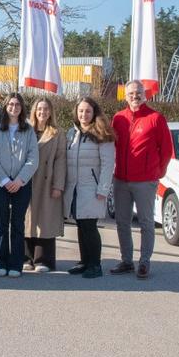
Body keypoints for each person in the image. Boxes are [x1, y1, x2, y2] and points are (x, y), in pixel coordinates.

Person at [111, 80, 174, 280]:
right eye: (130, 93)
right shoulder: (118, 118)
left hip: (145, 181)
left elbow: (166, 150)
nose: (134, 96)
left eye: (138, 92)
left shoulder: (155, 118)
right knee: (122, 221)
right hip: (121, 179)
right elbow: (112, 146)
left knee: (146, 222)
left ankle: (144, 262)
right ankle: (127, 260)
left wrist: (157, 172)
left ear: (144, 94)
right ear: (125, 96)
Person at [0, 92, 38, 278]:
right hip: (0, 183)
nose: (14, 108)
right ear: (5, 107)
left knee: (17, 223)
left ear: (22, 108)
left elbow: (33, 158)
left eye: (17, 105)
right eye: (11, 104)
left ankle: (16, 263)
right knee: (1, 223)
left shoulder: (28, 130)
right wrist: (5, 181)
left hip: (21, 184)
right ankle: (0, 262)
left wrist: (19, 180)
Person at [64, 97, 115, 278]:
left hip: (92, 188)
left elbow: (108, 164)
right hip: (74, 188)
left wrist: (103, 189)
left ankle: (95, 264)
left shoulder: (102, 133)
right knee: (80, 224)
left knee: (89, 226)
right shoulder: (72, 133)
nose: (84, 114)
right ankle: (84, 261)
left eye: (87, 111)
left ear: (94, 113)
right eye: (81, 111)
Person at [24, 97, 67, 272]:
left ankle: (44, 260)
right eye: (39, 109)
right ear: (34, 111)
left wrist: (58, 185)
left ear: (51, 112)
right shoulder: (25, 130)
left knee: (46, 218)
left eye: (46, 109)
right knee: (26, 218)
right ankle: (26, 257)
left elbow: (61, 160)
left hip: (47, 181)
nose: (42, 112)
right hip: (26, 179)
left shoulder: (57, 133)